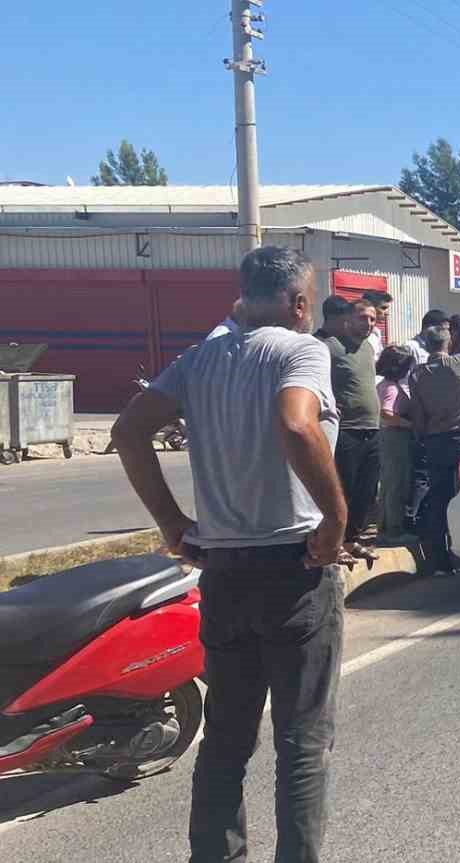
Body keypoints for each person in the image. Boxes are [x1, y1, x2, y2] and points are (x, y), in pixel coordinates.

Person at [110, 246, 345, 863]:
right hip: (294, 569)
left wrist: (170, 522)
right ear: (299, 304)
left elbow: (128, 430)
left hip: (224, 572)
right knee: (301, 740)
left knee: (227, 738)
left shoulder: (199, 360)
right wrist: (336, 518)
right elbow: (297, 425)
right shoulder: (302, 350)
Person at [410, 324, 460, 576]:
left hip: (433, 441)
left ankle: (440, 563)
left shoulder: (417, 373)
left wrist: (422, 438)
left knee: (438, 499)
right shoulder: (458, 363)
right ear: (450, 342)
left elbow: (418, 416)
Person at [320, 297, 382, 560]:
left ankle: (351, 540)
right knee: (342, 490)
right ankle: (333, 544)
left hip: (373, 429)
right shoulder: (329, 347)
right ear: (347, 319)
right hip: (346, 431)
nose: (368, 323)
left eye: (372, 318)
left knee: (366, 492)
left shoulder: (368, 347)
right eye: (362, 317)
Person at [375, 345, 417, 545]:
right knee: (396, 483)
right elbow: (386, 413)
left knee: (390, 483)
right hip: (394, 437)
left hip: (392, 437)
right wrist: (410, 424)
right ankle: (394, 530)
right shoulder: (390, 388)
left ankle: (384, 525)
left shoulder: (387, 385)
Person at [363, 289, 393, 354]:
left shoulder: (376, 332)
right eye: (383, 308)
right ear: (371, 308)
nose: (387, 313)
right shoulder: (359, 333)